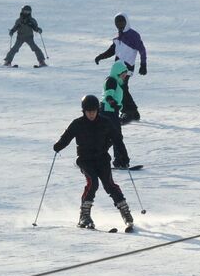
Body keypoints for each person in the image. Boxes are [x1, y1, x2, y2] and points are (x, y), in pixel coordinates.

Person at [52, 95, 134, 231]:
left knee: (109, 185)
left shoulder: (105, 122)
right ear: (83, 111)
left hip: (102, 159)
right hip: (85, 160)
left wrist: (123, 156)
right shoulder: (77, 123)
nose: (91, 114)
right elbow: (66, 137)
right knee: (93, 183)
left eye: (94, 111)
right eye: (88, 111)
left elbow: (117, 139)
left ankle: (126, 213)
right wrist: (58, 146)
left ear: (97, 110)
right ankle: (84, 215)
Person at [94, 13, 147, 122]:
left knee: (121, 88)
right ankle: (133, 112)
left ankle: (128, 111)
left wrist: (143, 65)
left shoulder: (133, 36)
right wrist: (101, 56)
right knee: (122, 88)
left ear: (126, 21)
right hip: (117, 67)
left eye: (122, 21)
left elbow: (142, 50)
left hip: (126, 67)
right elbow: (112, 50)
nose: (119, 24)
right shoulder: (119, 37)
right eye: (117, 22)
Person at [99, 60, 136, 169]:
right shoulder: (111, 81)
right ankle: (121, 160)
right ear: (117, 73)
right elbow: (108, 96)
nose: (124, 77)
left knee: (111, 138)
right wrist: (113, 104)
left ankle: (96, 157)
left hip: (111, 113)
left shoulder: (116, 82)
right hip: (107, 113)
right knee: (116, 137)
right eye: (123, 75)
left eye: (125, 75)